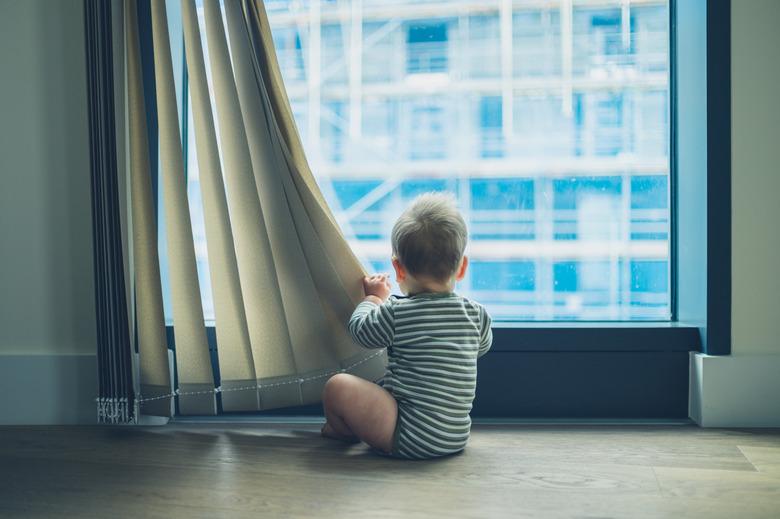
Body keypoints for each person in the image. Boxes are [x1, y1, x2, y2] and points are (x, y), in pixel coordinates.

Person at [321, 192, 493, 459]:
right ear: (462, 268)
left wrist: (373, 297)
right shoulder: (476, 315)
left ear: (398, 269)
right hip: (455, 436)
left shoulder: (397, 312)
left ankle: (341, 430)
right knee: (385, 384)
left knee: (337, 385)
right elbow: (481, 347)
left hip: (408, 435)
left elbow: (359, 330)